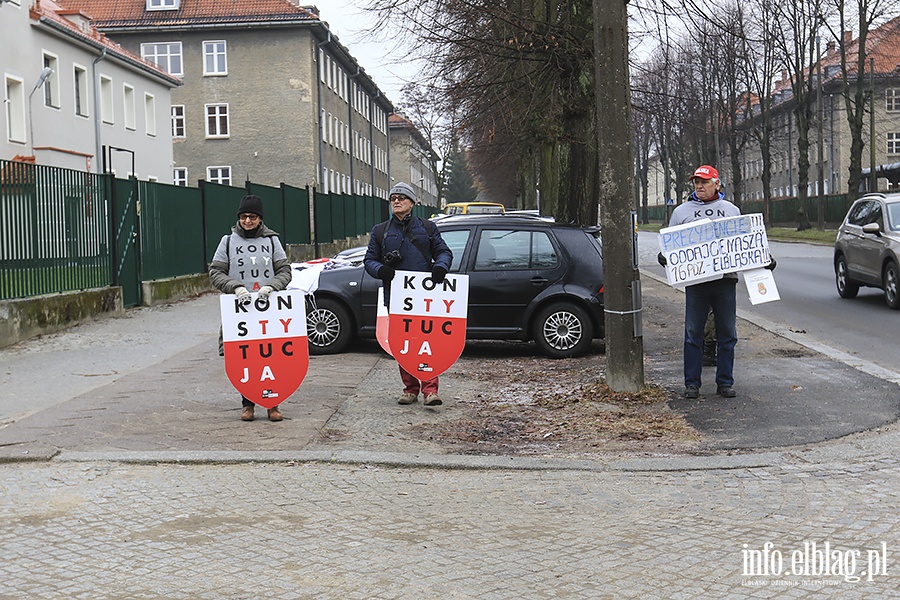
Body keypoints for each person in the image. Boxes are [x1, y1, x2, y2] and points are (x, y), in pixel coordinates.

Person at [657, 165, 775, 399]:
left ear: (716, 184)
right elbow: (672, 245)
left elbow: (744, 243)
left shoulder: (731, 210)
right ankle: (692, 383)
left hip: (725, 281)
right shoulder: (682, 212)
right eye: (696, 182)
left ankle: (725, 382)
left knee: (727, 332)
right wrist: (666, 256)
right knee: (693, 332)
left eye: (704, 182)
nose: (699, 186)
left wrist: (764, 259)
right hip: (697, 281)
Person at [364, 182, 453, 407]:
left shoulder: (428, 228)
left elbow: (444, 252)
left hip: (425, 298)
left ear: (412, 202)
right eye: (393, 197)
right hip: (396, 298)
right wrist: (380, 270)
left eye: (401, 197)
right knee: (403, 344)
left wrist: (440, 268)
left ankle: (430, 390)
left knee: (427, 343)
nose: (396, 201)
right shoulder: (381, 230)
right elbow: (369, 261)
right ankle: (410, 389)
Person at [209, 194, 293, 421]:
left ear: (260, 219)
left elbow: (285, 271)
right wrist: (235, 287)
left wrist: (271, 287)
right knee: (244, 356)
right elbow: (215, 272)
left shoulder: (272, 241)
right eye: (244, 216)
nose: (248, 221)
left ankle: (273, 403)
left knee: (271, 355)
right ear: (239, 217)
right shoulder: (227, 241)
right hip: (240, 309)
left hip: (269, 308)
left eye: (252, 217)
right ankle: (248, 404)